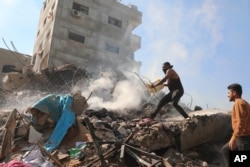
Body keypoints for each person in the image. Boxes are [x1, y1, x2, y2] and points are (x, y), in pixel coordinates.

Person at [221, 83, 250, 167]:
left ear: (234, 93)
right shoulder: (244, 103)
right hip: (241, 137)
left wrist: (234, 139)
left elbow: (240, 123)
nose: (227, 95)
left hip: (243, 138)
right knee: (225, 150)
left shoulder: (239, 103)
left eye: (228, 93)